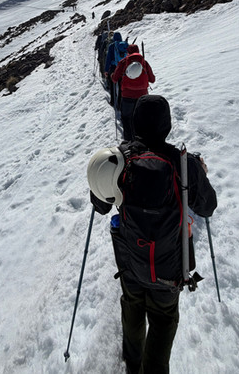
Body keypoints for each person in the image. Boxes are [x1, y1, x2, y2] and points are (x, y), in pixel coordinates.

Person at [87, 95, 217, 374]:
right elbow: (207, 206)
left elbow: (99, 203)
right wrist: (199, 173)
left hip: (130, 260)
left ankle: (133, 365)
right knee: (163, 318)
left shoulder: (120, 160)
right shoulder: (183, 164)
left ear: (135, 124)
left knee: (132, 307)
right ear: (167, 126)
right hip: (169, 267)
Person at [111, 44, 155, 140]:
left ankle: (129, 142)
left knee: (127, 119)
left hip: (127, 96)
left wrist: (112, 75)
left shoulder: (123, 62)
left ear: (128, 52)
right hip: (143, 96)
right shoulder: (144, 62)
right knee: (141, 119)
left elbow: (114, 79)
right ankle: (142, 141)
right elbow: (152, 79)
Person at [104, 32, 128, 107]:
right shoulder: (125, 45)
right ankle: (120, 103)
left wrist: (106, 70)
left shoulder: (111, 46)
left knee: (112, 84)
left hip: (114, 68)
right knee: (121, 85)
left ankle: (113, 101)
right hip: (123, 68)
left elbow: (108, 59)